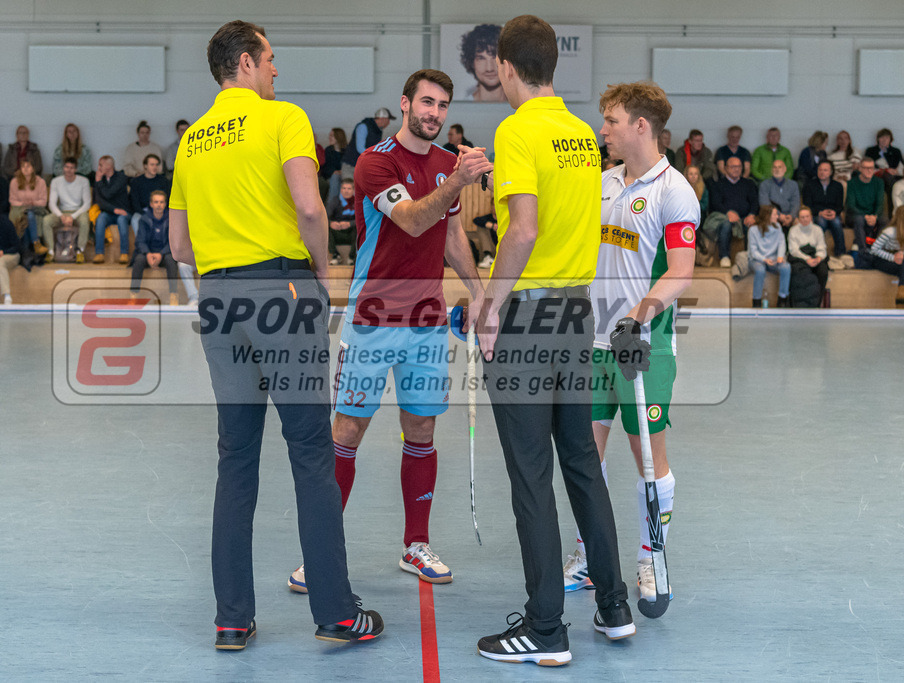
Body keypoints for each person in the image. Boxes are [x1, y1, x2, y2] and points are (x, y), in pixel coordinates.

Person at [168, 19, 383, 649]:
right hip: (282, 292)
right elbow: (310, 206)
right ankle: (336, 614)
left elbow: (180, 243)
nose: (276, 70)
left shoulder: (191, 142)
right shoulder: (282, 117)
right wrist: (318, 269)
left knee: (235, 459)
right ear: (245, 63)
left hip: (218, 297)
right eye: (270, 59)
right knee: (311, 452)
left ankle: (231, 618)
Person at [287, 67, 490, 593]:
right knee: (348, 430)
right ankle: (320, 553)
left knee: (421, 430)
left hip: (426, 323)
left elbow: (448, 235)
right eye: (426, 103)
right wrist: (458, 184)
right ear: (404, 104)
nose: (435, 114)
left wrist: (480, 288)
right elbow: (416, 220)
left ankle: (415, 545)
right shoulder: (376, 163)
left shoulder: (448, 164)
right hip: (372, 319)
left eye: (443, 106)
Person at [472, 15, 634, 667]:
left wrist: (490, 307)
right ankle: (614, 606)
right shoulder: (577, 133)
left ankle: (545, 627)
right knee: (581, 463)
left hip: (529, 319)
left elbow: (523, 229)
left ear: (506, 67)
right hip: (575, 314)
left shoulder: (516, 130)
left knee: (532, 474)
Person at [561, 80, 697, 617]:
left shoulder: (674, 191)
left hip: (643, 347)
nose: (603, 129)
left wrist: (640, 314)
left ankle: (649, 555)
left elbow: (682, 273)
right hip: (590, 343)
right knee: (583, 455)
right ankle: (588, 556)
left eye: (611, 120)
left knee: (648, 457)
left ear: (642, 126)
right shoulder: (603, 182)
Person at [703, 156, 758, 267]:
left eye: (738, 166)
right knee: (726, 224)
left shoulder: (749, 184)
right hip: (725, 217)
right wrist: (728, 213)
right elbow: (715, 203)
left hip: (744, 217)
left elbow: (755, 202)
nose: (736, 169)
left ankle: (749, 258)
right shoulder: (718, 185)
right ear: (726, 168)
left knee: (752, 225)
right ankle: (724, 257)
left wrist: (752, 214)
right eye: (733, 166)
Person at [129, 190, 179, 304]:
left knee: (171, 260)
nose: (159, 205)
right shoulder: (144, 219)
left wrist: (161, 254)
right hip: (148, 254)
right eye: (156, 202)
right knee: (139, 259)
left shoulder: (171, 219)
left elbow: (173, 241)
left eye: (161, 202)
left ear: (165, 204)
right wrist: (147, 254)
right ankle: (133, 296)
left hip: (165, 254)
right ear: (151, 204)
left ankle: (174, 296)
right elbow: (140, 241)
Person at [42, 158, 92, 262]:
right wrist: (61, 216)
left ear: (76, 169)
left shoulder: (84, 181)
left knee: (84, 220)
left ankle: (80, 251)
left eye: (72, 168)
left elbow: (87, 204)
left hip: (78, 211)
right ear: (63, 168)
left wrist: (72, 217)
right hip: (62, 212)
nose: (69, 170)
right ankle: (50, 251)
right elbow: (52, 203)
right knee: (46, 220)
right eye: (66, 167)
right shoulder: (56, 181)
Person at [859, 206, 904, 305]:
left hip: (899, 261)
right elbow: (874, 250)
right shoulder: (890, 232)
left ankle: (902, 291)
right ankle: (901, 291)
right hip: (881, 259)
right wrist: (892, 257)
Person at [747, 205, 790, 307]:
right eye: (775, 214)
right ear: (768, 216)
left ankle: (782, 299)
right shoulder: (753, 230)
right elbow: (753, 251)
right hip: (757, 259)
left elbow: (781, 243)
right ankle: (756, 301)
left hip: (773, 259)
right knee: (760, 270)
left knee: (786, 267)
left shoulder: (778, 227)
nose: (777, 216)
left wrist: (780, 256)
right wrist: (764, 259)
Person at [802, 160, 846, 257]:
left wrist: (835, 212)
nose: (822, 172)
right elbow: (807, 205)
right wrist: (820, 212)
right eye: (820, 170)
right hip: (817, 214)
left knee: (837, 222)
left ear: (831, 172)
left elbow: (840, 206)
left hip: (832, 214)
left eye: (825, 170)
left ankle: (841, 253)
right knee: (821, 221)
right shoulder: (809, 185)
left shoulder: (838, 186)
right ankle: (819, 253)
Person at [92, 155, 132, 263]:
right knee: (100, 218)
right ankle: (99, 253)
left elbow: (108, 194)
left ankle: (124, 253)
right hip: (109, 212)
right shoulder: (101, 179)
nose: (98, 168)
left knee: (121, 220)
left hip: (124, 212)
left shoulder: (121, 177)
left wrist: (98, 181)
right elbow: (99, 201)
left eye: (101, 165)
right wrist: (114, 210)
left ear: (109, 166)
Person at [787, 206, 829, 304]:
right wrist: (807, 259)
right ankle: (802, 303)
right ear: (798, 218)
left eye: (807, 216)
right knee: (800, 273)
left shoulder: (818, 229)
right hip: (800, 258)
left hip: (815, 257)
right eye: (802, 217)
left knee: (823, 272)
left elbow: (822, 247)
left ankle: (817, 302)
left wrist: (818, 258)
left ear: (811, 217)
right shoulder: (793, 230)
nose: (805, 219)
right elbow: (794, 250)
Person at [846, 157, 887, 254]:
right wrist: (866, 216)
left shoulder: (879, 182)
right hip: (856, 215)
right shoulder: (852, 183)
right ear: (860, 168)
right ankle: (863, 251)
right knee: (859, 219)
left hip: (872, 215)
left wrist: (875, 216)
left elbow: (880, 203)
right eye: (866, 168)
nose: (869, 171)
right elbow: (851, 205)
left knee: (884, 220)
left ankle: (877, 249)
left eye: (871, 168)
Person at [8, 160, 49, 255]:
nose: (25, 169)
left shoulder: (40, 182)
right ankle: (35, 243)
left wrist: (33, 202)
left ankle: (25, 251)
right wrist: (23, 204)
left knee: (29, 214)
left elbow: (43, 202)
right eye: (23, 167)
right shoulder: (14, 182)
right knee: (27, 216)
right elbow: (12, 200)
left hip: (37, 209)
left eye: (28, 166)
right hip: (19, 209)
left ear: (33, 168)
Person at [341, 107, 394, 179]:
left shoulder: (378, 131)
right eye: (388, 120)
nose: (389, 123)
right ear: (383, 119)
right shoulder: (363, 127)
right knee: (349, 189)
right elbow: (360, 148)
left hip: (362, 167)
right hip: (350, 166)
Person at [459, 23, 506, 102]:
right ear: (472, 63)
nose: (489, 68)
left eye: (495, 58)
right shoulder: (462, 107)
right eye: (481, 58)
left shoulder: (521, 107)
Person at [757, 159, 800, 230]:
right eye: (774, 167)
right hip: (772, 216)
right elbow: (764, 204)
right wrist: (779, 215)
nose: (777, 170)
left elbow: (795, 203)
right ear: (771, 170)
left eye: (780, 167)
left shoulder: (793, 184)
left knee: (799, 223)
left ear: (785, 169)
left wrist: (791, 216)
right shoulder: (764, 184)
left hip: (790, 216)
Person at [864, 128, 903, 200]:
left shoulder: (896, 151)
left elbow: (901, 166)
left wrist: (896, 171)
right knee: (889, 178)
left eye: (887, 137)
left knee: (891, 180)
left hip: (893, 176)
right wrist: (886, 170)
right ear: (878, 139)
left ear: (890, 139)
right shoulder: (871, 151)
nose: (884, 140)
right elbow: (866, 166)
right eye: (882, 137)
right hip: (877, 175)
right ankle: (894, 208)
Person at [326, 176, 355, 265]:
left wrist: (350, 224)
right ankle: (335, 255)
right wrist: (331, 223)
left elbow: (363, 220)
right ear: (340, 190)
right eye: (344, 188)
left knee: (359, 228)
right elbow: (325, 217)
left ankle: (352, 257)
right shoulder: (334, 201)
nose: (346, 191)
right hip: (337, 231)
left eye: (349, 189)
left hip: (352, 232)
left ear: (353, 190)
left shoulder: (358, 202)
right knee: (325, 227)